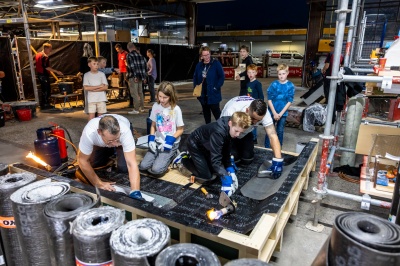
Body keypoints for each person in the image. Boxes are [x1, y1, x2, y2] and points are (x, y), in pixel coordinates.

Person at [178, 112, 251, 197]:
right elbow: (216, 160)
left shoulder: (232, 127)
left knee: (216, 171)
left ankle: (196, 159)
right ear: (230, 123)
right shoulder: (218, 132)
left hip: (207, 145)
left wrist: (229, 168)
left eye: (241, 132)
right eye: (236, 131)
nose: (238, 135)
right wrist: (225, 177)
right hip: (195, 144)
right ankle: (184, 159)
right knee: (207, 177)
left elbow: (226, 150)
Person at [77, 114, 143, 200]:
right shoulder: (89, 133)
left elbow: (131, 163)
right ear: (99, 132)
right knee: (94, 164)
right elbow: (82, 160)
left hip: (121, 134)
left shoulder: (124, 131)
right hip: (100, 142)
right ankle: (108, 150)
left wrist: (135, 191)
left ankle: (123, 144)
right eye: (111, 141)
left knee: (123, 167)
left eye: (117, 139)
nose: (115, 144)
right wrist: (99, 184)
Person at [220, 96, 283, 179]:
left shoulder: (264, 113)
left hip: (245, 133)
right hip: (230, 135)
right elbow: (221, 135)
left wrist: (278, 160)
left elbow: (272, 135)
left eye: (258, 120)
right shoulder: (231, 111)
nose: (255, 122)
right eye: (253, 118)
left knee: (247, 159)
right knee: (234, 159)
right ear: (247, 110)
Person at [139, 82, 184, 177]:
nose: (161, 99)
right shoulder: (156, 106)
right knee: (143, 166)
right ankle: (160, 156)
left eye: (165, 97)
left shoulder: (176, 109)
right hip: (157, 141)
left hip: (170, 143)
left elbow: (180, 130)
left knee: (156, 170)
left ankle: (174, 153)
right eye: (160, 96)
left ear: (171, 96)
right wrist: (151, 140)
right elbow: (153, 125)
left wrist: (168, 142)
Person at [264, 64, 295, 149]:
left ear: (287, 73)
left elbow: (289, 101)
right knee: (270, 131)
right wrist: (274, 113)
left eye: (283, 73)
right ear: (277, 74)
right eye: (279, 74)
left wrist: (280, 114)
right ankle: (267, 147)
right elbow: (269, 99)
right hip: (271, 112)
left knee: (280, 131)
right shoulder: (274, 84)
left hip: (283, 113)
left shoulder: (290, 86)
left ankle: (279, 148)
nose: (281, 76)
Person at [193, 46, 225, 124]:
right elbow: (195, 78)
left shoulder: (216, 64)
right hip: (203, 95)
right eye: (204, 55)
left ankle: (222, 130)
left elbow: (222, 76)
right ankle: (208, 130)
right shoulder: (199, 66)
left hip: (213, 94)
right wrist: (196, 89)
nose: (207, 57)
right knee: (206, 115)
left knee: (217, 115)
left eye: (208, 54)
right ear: (201, 56)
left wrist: (216, 87)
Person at [35, 42, 63, 109]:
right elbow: (46, 67)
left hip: (40, 74)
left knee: (44, 89)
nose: (50, 51)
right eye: (50, 49)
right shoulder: (44, 56)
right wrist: (57, 72)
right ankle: (46, 104)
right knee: (47, 89)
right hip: (43, 74)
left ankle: (43, 103)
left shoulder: (38, 54)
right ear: (46, 48)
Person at [322, 40, 344, 123]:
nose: (330, 48)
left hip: (329, 78)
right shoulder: (342, 55)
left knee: (329, 97)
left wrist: (323, 70)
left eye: (330, 47)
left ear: (333, 47)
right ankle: (333, 117)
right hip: (337, 79)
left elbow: (327, 66)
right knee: (334, 98)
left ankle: (330, 117)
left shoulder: (330, 54)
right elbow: (342, 66)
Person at [126, 42, 148, 115]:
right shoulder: (141, 56)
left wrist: (135, 76)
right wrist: (144, 77)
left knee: (134, 93)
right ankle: (142, 108)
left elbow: (131, 67)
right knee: (140, 92)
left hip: (133, 77)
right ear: (134, 47)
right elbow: (145, 68)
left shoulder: (129, 55)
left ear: (128, 48)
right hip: (141, 77)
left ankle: (136, 109)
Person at [245, 64, 264, 144]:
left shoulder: (257, 83)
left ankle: (254, 138)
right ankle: (250, 137)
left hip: (256, 106)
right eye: (249, 72)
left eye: (252, 72)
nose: (250, 74)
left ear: (256, 73)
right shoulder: (248, 83)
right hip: (250, 106)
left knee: (254, 123)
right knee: (249, 122)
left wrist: (260, 106)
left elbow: (261, 95)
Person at [77, 43, 93, 114]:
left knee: (86, 94)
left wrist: (78, 74)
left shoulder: (83, 59)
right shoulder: (93, 58)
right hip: (93, 77)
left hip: (86, 78)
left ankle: (87, 109)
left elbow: (81, 70)